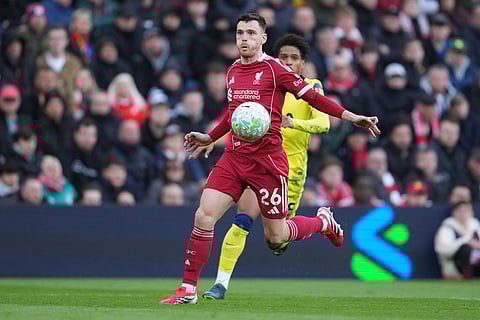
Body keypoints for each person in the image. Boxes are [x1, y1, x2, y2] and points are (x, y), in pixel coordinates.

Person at [160, 13, 380, 305]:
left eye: (251, 33)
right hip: (235, 158)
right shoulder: (233, 71)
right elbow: (233, 115)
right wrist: (211, 137)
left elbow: (313, 98)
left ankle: (322, 222)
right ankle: (188, 290)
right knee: (204, 215)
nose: (244, 39)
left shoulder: (275, 70)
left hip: (268, 163)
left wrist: (353, 118)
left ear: (263, 38)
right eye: (240, 33)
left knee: (276, 237)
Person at [201, 33, 331, 299]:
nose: (289, 62)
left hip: (291, 170)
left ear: (303, 64)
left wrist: (294, 123)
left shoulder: (310, 87)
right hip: (258, 161)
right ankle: (220, 284)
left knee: (276, 240)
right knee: (242, 219)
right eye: (283, 57)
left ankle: (322, 222)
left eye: (295, 58)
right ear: (274, 59)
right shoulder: (266, 82)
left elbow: (325, 124)